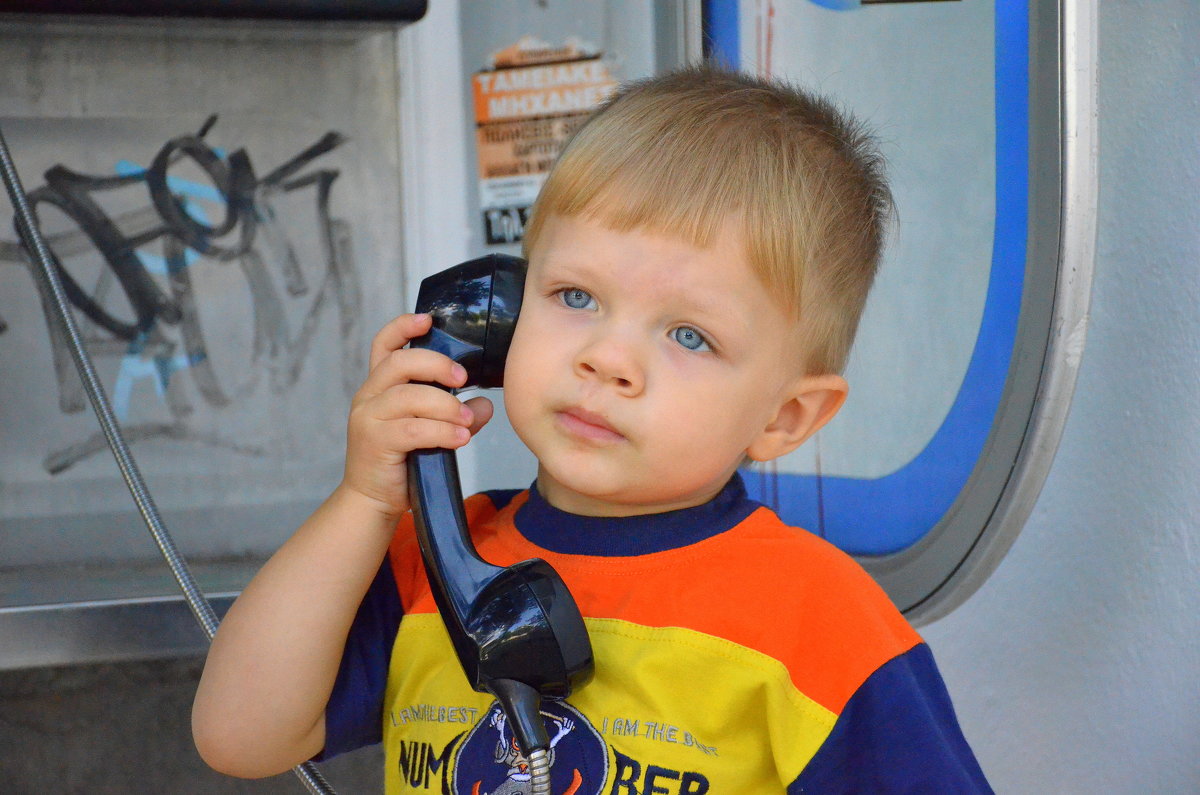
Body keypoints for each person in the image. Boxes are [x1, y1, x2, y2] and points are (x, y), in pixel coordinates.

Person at [193, 65, 991, 793]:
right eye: (575, 296)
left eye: (689, 336)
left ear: (785, 417)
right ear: (501, 320)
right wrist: (367, 500)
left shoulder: (818, 622)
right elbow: (239, 735)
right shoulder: (430, 569)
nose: (608, 358)